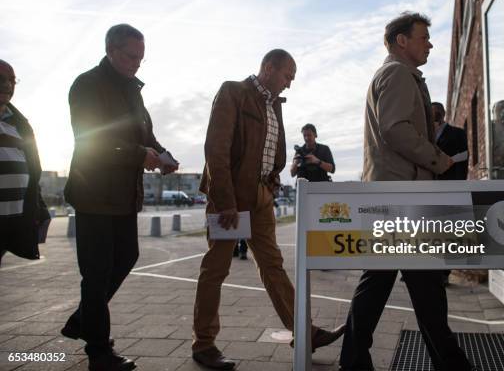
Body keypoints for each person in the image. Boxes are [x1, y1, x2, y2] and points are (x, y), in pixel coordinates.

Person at [339, 12, 476, 371]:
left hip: (395, 196)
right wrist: (439, 160)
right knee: (422, 285)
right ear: (402, 41)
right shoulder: (398, 74)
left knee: (394, 283)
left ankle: (353, 360)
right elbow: (395, 130)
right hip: (403, 198)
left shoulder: (396, 74)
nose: (429, 43)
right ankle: (449, 363)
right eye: (423, 37)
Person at [193, 49, 344, 370]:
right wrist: (225, 202)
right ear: (269, 67)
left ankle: (304, 332)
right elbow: (215, 151)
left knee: (273, 265)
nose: (289, 84)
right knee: (217, 268)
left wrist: (271, 184)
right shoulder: (233, 92)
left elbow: (274, 155)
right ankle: (203, 344)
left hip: (260, 198)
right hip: (231, 199)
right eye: (287, 76)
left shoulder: (275, 105)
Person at [61, 24, 178, 371]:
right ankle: (99, 352)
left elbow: (147, 135)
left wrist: (163, 154)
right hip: (94, 192)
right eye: (131, 56)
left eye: (141, 58)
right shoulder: (87, 85)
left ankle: (83, 319)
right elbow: (90, 140)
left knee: (127, 256)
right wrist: (139, 155)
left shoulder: (133, 91)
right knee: (96, 274)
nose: (137, 64)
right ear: (111, 49)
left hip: (125, 195)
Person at [0, 59, 50, 267]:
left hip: (11, 220)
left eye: (12, 80)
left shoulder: (19, 124)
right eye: (1, 79)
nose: (8, 85)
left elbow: (33, 168)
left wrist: (38, 206)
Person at [431, 101, 469, 286]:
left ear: (443, 113)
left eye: (436, 112)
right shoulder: (425, 136)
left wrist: (449, 161)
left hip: (449, 186)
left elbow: (465, 155)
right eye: (431, 113)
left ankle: (444, 272)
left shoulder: (457, 133)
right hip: (430, 188)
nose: (434, 115)